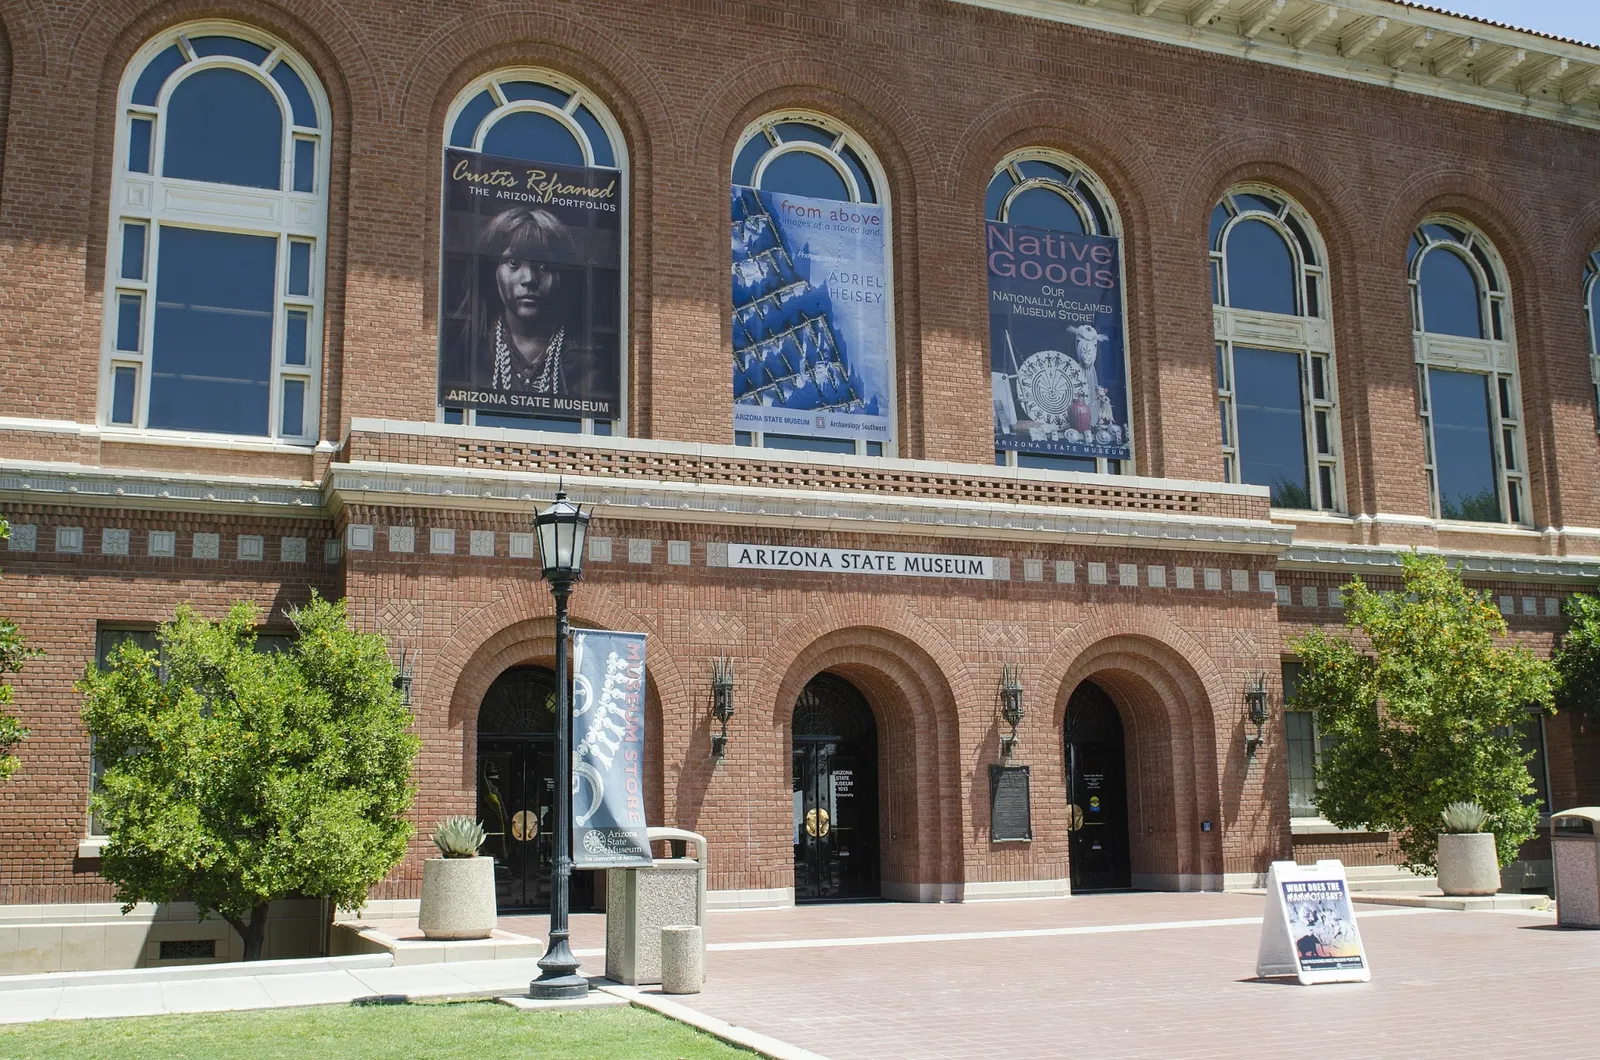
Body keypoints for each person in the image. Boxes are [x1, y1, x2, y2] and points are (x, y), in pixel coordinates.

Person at [448, 205, 614, 405]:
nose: (529, 279)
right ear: (492, 271)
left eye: (544, 266)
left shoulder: (591, 362)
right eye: (513, 263)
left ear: (562, 275)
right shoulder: (465, 355)